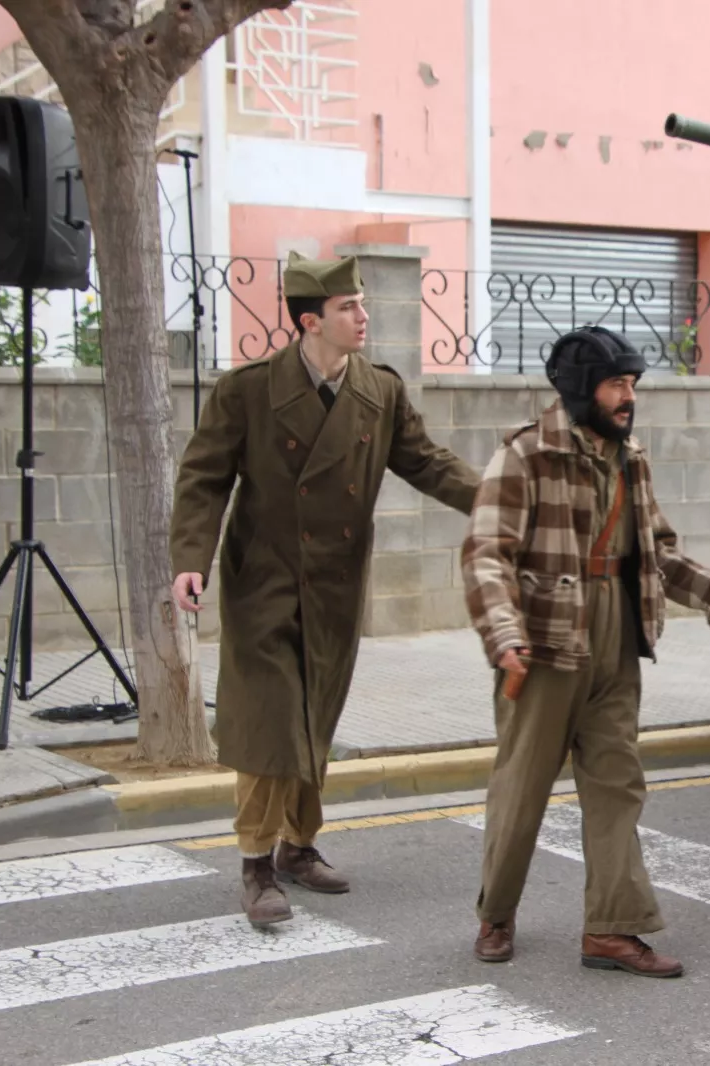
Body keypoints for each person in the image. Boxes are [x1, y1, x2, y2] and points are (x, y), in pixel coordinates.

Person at [169, 252, 482, 927]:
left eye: (363, 304)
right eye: (349, 308)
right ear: (311, 321)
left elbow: (427, 462)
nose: (364, 317)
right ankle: (256, 864)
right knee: (267, 721)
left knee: (314, 718)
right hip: (264, 581)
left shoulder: (380, 391)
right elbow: (204, 478)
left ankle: (297, 847)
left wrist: (499, 500)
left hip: (336, 585)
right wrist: (190, 556)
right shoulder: (248, 390)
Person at [460, 325, 710, 978]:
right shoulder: (526, 456)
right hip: (542, 645)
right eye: (617, 384)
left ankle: (612, 930)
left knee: (618, 784)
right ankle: (497, 914)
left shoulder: (631, 460)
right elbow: (487, 555)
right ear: (578, 389)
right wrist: (503, 634)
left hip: (617, 638)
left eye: (633, 385)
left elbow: (659, 552)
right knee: (522, 789)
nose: (629, 398)